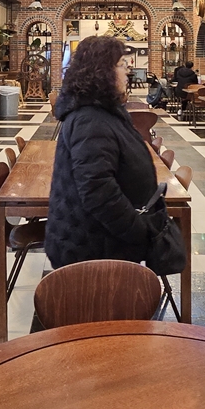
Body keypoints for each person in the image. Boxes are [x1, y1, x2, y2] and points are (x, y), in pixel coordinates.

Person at [45, 36, 159, 269]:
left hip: (104, 240)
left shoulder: (104, 111)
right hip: (92, 247)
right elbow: (98, 190)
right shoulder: (90, 119)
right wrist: (138, 230)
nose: (127, 71)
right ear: (102, 71)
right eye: (121, 65)